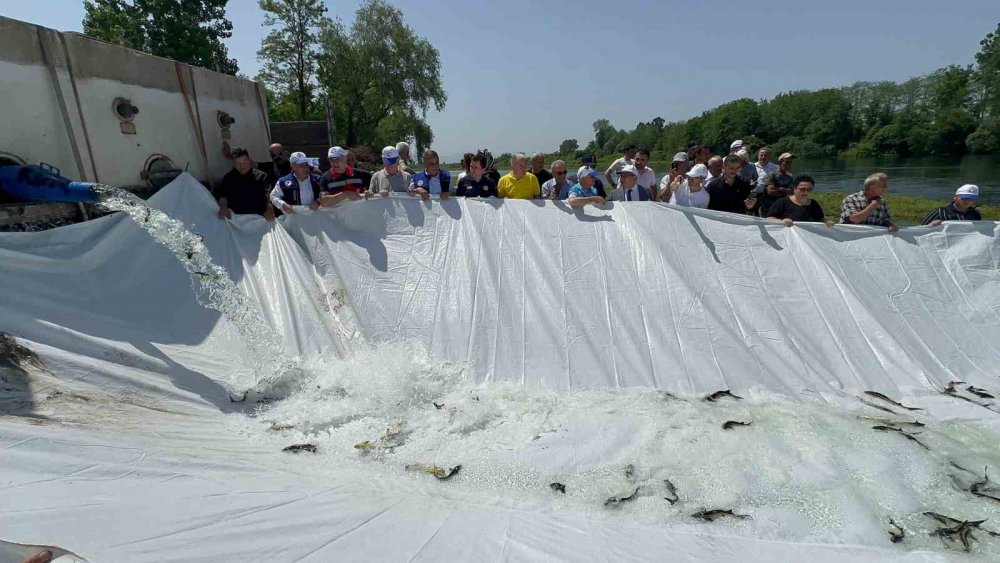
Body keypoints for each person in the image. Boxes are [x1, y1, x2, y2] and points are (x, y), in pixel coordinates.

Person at [215, 146, 275, 220]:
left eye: (244, 162)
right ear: (233, 163)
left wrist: (269, 207)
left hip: (259, 218)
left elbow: (269, 194)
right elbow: (223, 196)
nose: (242, 166)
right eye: (238, 163)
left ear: (249, 160)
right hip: (236, 219)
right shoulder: (228, 178)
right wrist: (223, 207)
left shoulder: (261, 176)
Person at [758, 152, 796, 217]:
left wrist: (780, 189)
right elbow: (771, 192)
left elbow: (792, 192)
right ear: (779, 162)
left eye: (790, 162)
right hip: (769, 207)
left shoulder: (790, 176)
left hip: (783, 207)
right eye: (786, 162)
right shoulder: (771, 175)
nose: (788, 164)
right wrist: (785, 192)